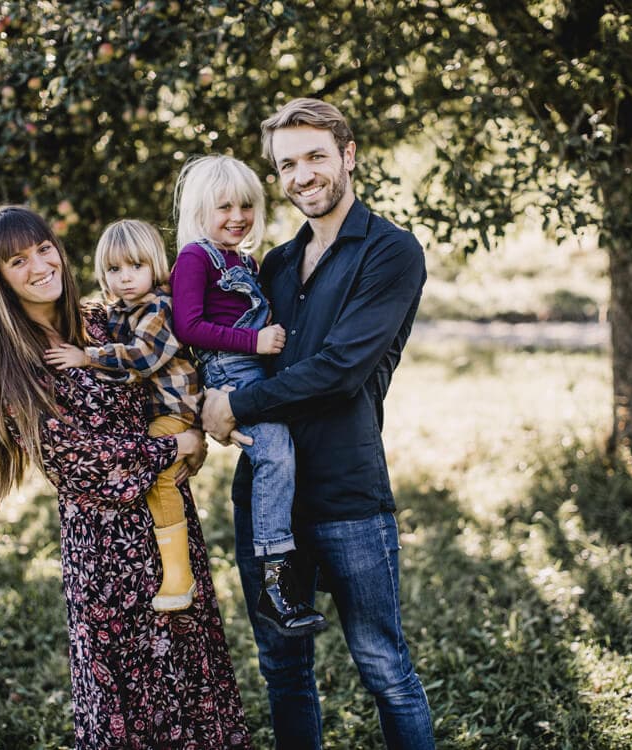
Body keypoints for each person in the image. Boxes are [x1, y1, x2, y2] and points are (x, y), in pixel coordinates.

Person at [0, 205, 251, 749]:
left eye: (44, 248)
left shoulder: (103, 321)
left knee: (194, 679)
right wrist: (175, 444)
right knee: (133, 699)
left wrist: (199, 420)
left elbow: (167, 372)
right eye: (17, 261)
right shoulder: (16, 361)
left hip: (168, 521)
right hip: (108, 552)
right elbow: (74, 460)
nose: (40, 265)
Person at [201, 98, 436, 748]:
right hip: (264, 499)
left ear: (347, 155)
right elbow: (229, 352)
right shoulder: (271, 265)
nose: (300, 175)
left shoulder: (390, 253)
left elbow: (339, 371)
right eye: (286, 164)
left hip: (346, 498)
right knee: (282, 669)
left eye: (313, 157)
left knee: (383, 668)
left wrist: (236, 407)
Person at [170, 154, 328, 637]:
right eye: (224, 207)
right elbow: (188, 325)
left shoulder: (247, 260)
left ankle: (293, 563)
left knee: (288, 453)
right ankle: (273, 578)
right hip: (232, 371)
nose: (237, 217)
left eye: (245, 206)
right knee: (275, 453)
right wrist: (253, 342)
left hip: (259, 371)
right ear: (200, 210)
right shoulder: (195, 258)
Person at [43, 219, 201, 612]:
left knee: (162, 480)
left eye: (136, 267)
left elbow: (144, 358)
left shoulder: (160, 307)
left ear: (154, 266)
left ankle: (179, 572)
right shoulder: (117, 310)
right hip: (154, 411)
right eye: (115, 270)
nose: (126, 278)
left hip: (174, 408)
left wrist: (87, 357)